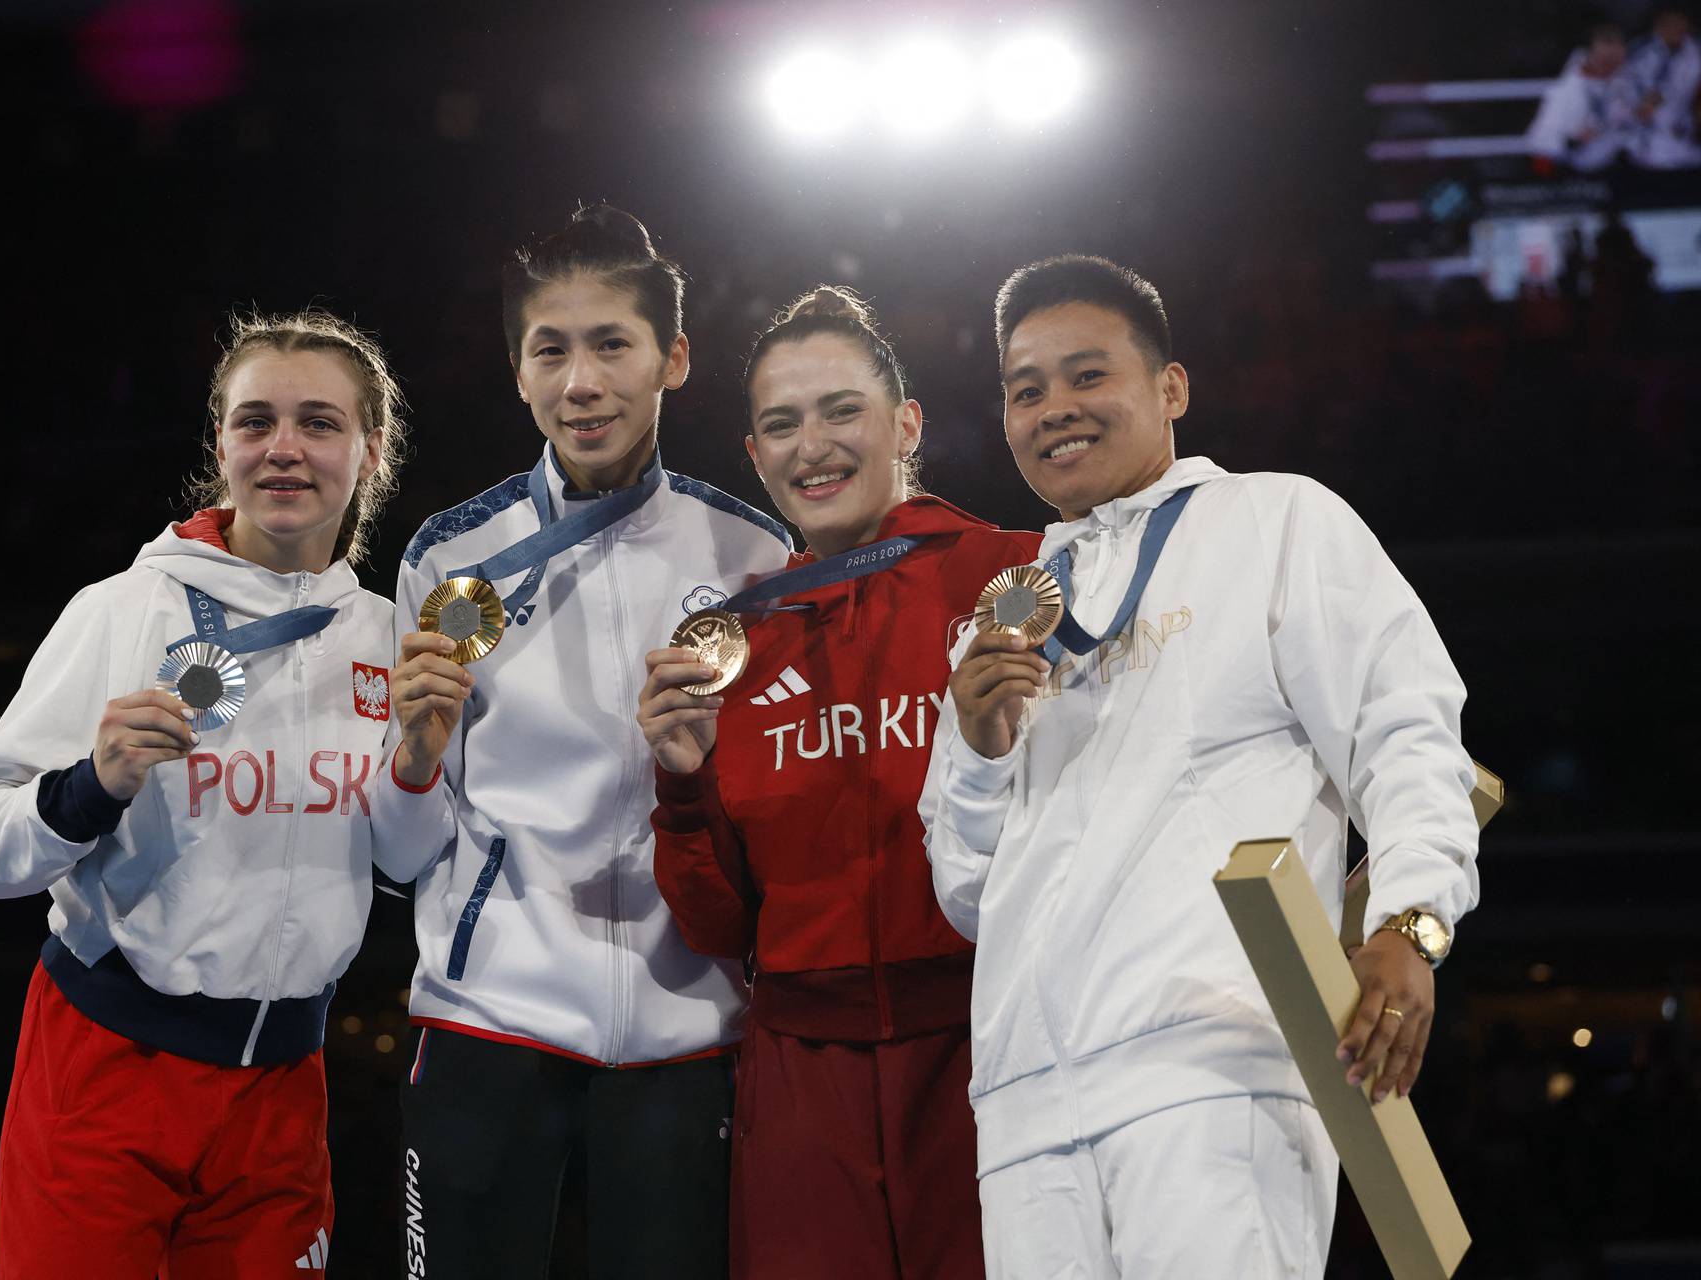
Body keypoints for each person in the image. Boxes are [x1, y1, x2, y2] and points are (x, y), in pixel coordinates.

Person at [918, 255, 1482, 1278]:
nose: (1056, 408)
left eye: (1088, 375)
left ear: (1170, 388)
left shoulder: (1278, 522)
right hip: (1025, 1102)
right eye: (1026, 388)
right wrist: (978, 746)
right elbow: (968, 892)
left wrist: (1412, 922)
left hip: (1215, 1066)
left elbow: (1406, 732)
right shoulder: (1004, 614)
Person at [372, 203, 791, 1279]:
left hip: (689, 1029)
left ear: (674, 357)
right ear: (518, 372)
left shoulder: (753, 554)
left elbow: (770, 813)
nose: (582, 381)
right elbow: (400, 852)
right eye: (550, 350)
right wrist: (412, 757)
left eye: (612, 344)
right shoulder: (449, 556)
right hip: (487, 1018)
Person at [0, 310, 409, 1277]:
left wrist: (424, 763)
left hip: (283, 1089)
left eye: (319, 423)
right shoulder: (124, 608)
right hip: (108, 1071)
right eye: (256, 422)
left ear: (370, 452)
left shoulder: (388, 637)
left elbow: (407, 859)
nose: (284, 449)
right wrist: (90, 787)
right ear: (221, 445)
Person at [637, 286, 1040, 1280]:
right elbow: (720, 925)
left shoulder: (1012, 576)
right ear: (754, 456)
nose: (810, 444)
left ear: (905, 422)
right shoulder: (732, 641)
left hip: (988, 1049)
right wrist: (681, 783)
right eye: (781, 423)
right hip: (798, 1077)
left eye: (839, 410)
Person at [1525, 24, 1636, 171]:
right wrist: (1572, 140)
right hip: (1575, 170)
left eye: (1617, 57)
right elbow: (1541, 143)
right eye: (1606, 58)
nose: (1611, 63)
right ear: (1590, 53)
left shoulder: (1627, 81)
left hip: (1622, 166)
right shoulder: (1567, 89)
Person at [1624, 7, 1701, 168]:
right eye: (1669, 24)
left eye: (1680, 23)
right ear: (1657, 26)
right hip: (1642, 135)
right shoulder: (1638, 51)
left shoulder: (1695, 53)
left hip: (1684, 133)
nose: (1676, 28)